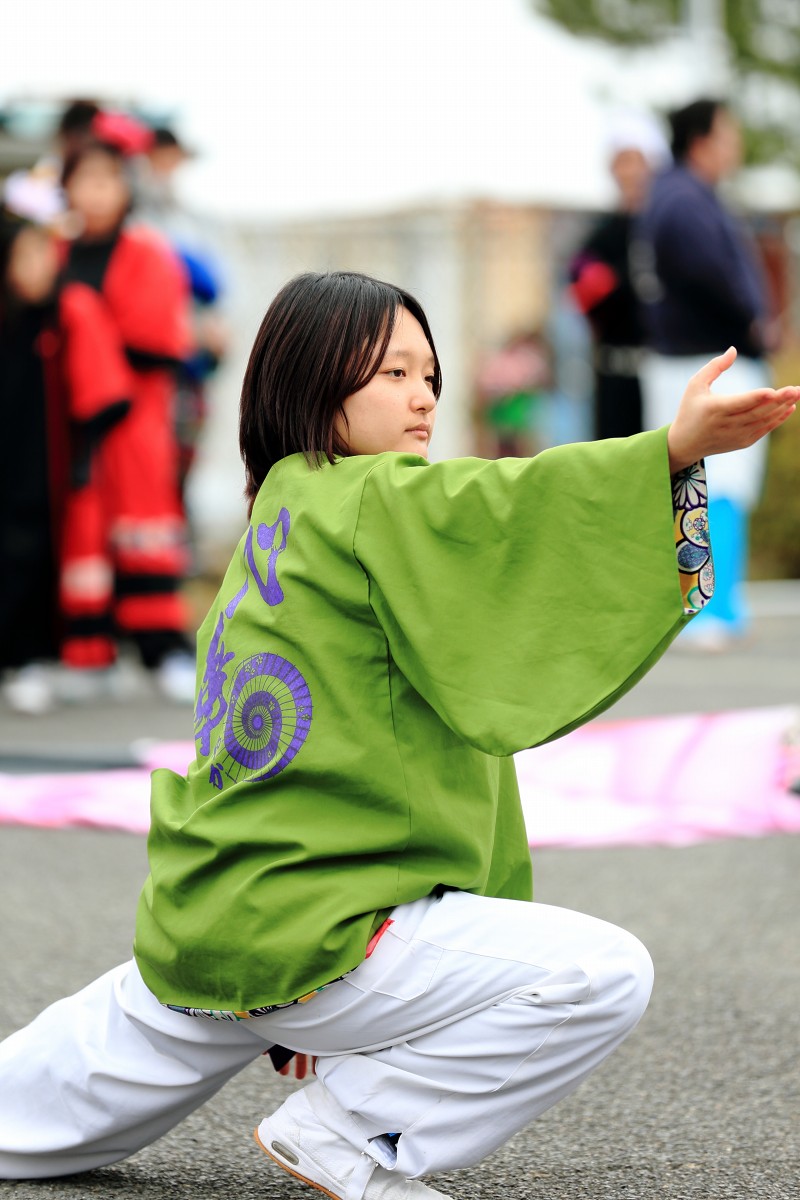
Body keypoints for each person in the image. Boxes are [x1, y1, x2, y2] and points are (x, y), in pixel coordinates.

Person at [0, 272, 795, 1197]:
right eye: (390, 373)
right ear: (312, 381)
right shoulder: (379, 497)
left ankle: (319, 1046)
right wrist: (665, 451)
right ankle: (349, 1136)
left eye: (431, 375)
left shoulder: (281, 511)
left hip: (211, 926)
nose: (422, 395)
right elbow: (514, 505)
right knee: (600, 972)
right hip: (331, 933)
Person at [59, 129, 197, 699]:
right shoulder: (58, 252)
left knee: (143, 524)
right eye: (84, 180)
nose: (95, 193)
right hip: (71, 413)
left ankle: (161, 650)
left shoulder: (147, 253)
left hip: (137, 410)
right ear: (66, 188)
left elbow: (164, 339)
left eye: (106, 180)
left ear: (124, 188)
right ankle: (90, 651)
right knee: (84, 526)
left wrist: (91, 326)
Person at [635, 98, 773, 648]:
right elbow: (714, 277)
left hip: (693, 362)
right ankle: (705, 608)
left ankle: (718, 603)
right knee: (712, 481)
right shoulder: (683, 199)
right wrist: (756, 321)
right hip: (703, 363)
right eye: (729, 131)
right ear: (702, 139)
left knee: (716, 482)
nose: (736, 143)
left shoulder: (680, 195)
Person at [0, 210, 131, 714]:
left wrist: (83, 452)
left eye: (42, 254)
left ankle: (30, 660)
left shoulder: (67, 310)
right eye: (24, 256)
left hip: (43, 467)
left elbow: (101, 390)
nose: (37, 267)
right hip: (12, 462)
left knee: (36, 559)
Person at [569, 111, 668, 440]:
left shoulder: (669, 229)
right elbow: (581, 287)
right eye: (621, 161)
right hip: (613, 376)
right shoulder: (602, 235)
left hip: (666, 375)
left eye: (635, 160)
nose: (629, 172)